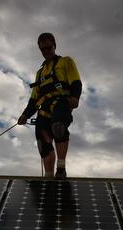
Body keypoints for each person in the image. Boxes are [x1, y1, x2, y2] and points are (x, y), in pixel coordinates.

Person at [18, 32, 82, 180]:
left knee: (58, 126)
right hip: (43, 108)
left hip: (61, 102)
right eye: (43, 49)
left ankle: (61, 168)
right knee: (42, 142)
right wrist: (25, 115)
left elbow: (76, 81)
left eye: (48, 47)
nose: (46, 51)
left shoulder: (65, 61)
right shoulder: (39, 73)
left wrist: (75, 97)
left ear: (54, 46)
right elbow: (34, 98)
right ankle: (48, 178)